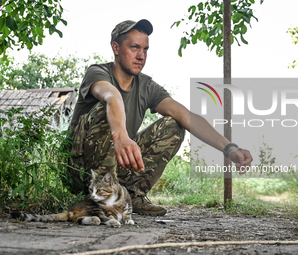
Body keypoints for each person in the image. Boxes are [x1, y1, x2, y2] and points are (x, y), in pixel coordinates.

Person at [68, 19, 253, 216]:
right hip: (82, 171)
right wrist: (120, 136)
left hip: (115, 171)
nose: (141, 56)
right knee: (106, 108)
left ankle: (132, 195)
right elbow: (112, 97)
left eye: (146, 49)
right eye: (134, 47)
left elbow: (185, 115)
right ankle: (103, 203)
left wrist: (229, 148)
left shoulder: (147, 86)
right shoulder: (97, 72)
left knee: (174, 124)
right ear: (116, 48)